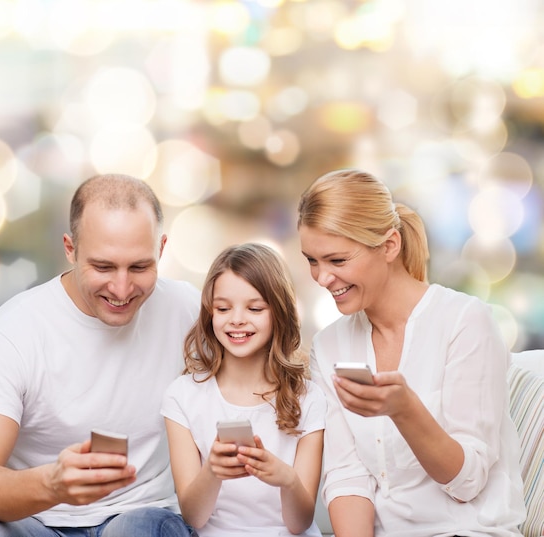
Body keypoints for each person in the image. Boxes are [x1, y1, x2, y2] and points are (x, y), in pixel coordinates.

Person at [0, 174, 201, 537]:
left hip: (140, 517)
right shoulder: (13, 332)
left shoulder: (187, 309)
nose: (122, 289)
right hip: (35, 523)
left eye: (140, 267)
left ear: (161, 249)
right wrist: (53, 485)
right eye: (103, 267)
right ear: (70, 249)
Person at [297, 168, 526, 537]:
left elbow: (467, 482)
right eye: (312, 260)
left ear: (389, 245)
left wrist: (405, 410)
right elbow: (347, 478)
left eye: (337, 261)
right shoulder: (329, 346)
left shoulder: (465, 322)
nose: (322, 278)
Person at [161, 242, 327, 537]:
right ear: (210, 313)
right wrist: (212, 470)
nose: (237, 319)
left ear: (278, 312)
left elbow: (299, 523)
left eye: (254, 308)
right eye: (223, 308)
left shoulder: (308, 397)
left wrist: (286, 479)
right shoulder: (183, 396)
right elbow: (194, 517)